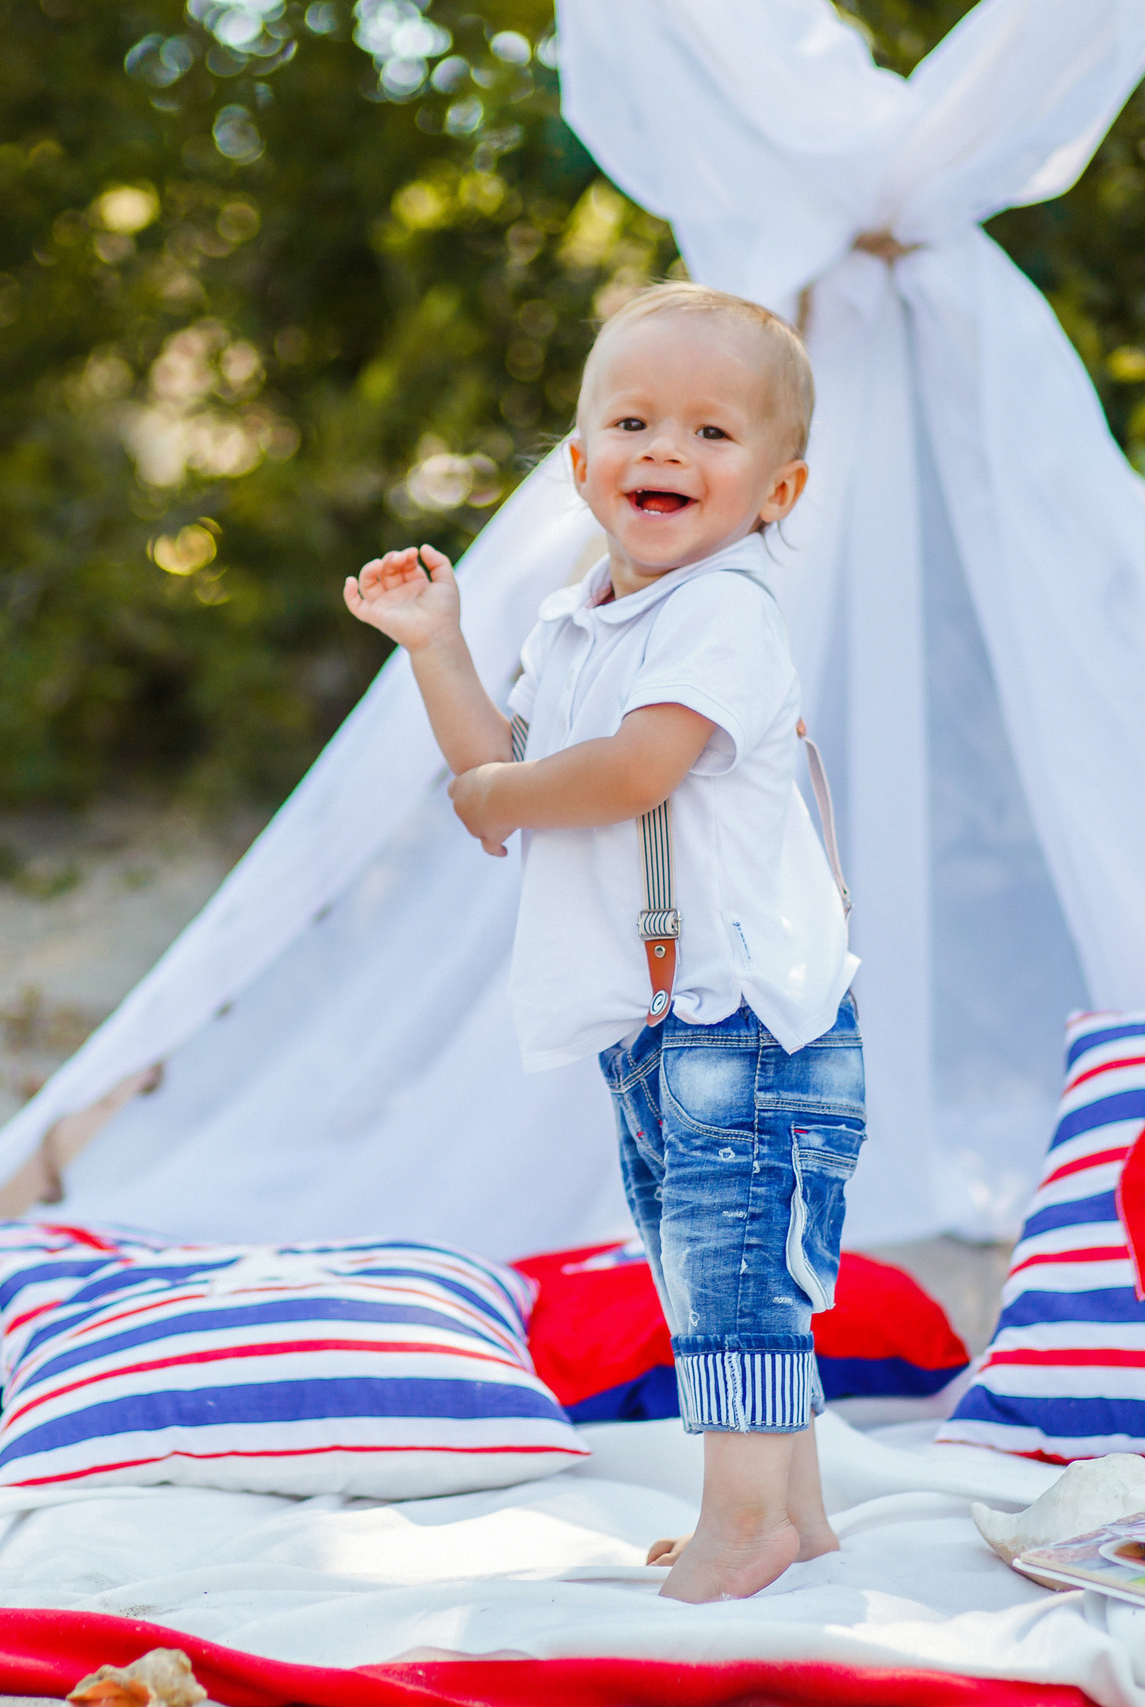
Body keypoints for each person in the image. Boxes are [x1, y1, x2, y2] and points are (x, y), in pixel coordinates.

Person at [343, 281, 864, 1603]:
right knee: (712, 1264)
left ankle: (743, 1520)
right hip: (658, 1021)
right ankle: (792, 1513)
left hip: (746, 1015)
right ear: (580, 465)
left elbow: (634, 771)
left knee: (735, 1264)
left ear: (779, 491)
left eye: (710, 432)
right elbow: (504, 760)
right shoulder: (582, 620)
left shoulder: (723, 611)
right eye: (633, 423)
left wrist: (494, 800)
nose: (665, 450)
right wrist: (437, 646)